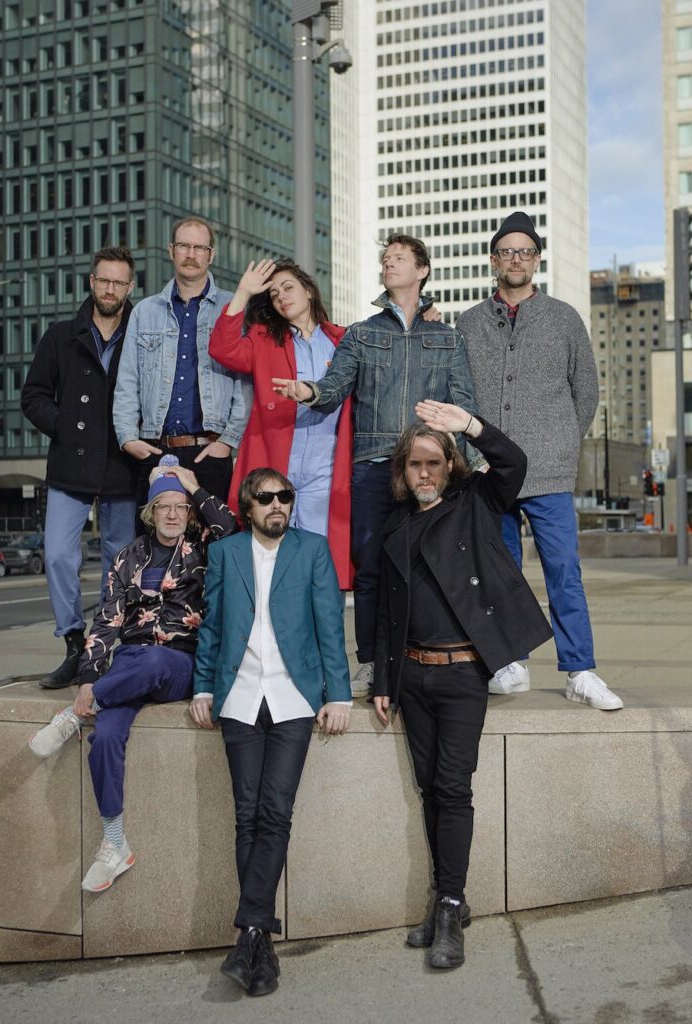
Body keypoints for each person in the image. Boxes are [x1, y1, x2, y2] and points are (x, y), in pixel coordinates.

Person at [373, 401, 552, 969]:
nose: (423, 473)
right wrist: (382, 677)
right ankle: (447, 897)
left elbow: (514, 464)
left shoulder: (474, 502)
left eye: (433, 462)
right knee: (430, 788)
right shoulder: (396, 523)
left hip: (461, 674)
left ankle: (449, 905)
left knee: (452, 788)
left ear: (450, 465)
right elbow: (385, 608)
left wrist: (470, 426)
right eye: (414, 464)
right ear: (402, 472)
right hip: (411, 674)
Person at [272, 233, 478, 695]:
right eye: (385, 258)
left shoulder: (448, 338)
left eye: (399, 258)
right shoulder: (362, 333)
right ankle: (368, 661)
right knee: (369, 570)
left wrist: (469, 462)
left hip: (427, 468)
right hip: (372, 466)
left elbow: (463, 404)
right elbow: (335, 387)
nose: (389, 264)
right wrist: (308, 391)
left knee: (429, 568)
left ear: (422, 270)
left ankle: (425, 655)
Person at [28, 459, 236, 893]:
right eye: (164, 506)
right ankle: (115, 842)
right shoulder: (127, 557)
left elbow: (230, 526)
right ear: (150, 512)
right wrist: (89, 678)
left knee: (154, 661)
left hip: (179, 662)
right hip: (128, 665)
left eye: (180, 506)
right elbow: (107, 620)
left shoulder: (204, 548)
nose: (173, 514)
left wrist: (194, 486)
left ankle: (73, 717)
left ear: (189, 512)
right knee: (105, 736)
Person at [190, 467, 352, 997]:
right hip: (238, 697)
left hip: (293, 697)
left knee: (275, 812)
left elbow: (330, 624)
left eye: (285, 496)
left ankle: (250, 934)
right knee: (247, 815)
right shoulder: (225, 553)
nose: (278, 504)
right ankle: (259, 944)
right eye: (266, 498)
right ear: (248, 506)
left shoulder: (312, 550)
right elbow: (213, 625)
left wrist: (338, 694)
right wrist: (203, 687)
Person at [456, 211, 623, 711]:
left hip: (548, 469)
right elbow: (459, 395)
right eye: (507, 252)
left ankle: (580, 670)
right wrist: (473, 454)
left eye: (524, 251)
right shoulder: (469, 323)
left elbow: (586, 391)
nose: (516, 259)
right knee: (498, 572)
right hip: (490, 471)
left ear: (537, 259)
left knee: (564, 570)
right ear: (494, 260)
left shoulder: (564, 318)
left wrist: (564, 443)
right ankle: (509, 662)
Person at [21, 246, 139, 689]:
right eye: (103, 280)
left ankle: (102, 645)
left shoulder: (141, 333)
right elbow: (33, 396)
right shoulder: (60, 335)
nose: (110, 289)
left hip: (122, 464)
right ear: (92, 281)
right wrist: (67, 428)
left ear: (130, 287)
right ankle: (73, 642)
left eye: (119, 282)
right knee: (56, 554)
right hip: (70, 463)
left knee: (118, 561)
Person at [208, 257, 353, 587]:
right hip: (276, 465)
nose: (281, 297)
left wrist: (425, 315)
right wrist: (243, 293)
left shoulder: (343, 339)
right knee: (269, 564)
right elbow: (222, 348)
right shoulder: (263, 338)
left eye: (288, 288)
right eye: (274, 294)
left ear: (309, 291)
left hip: (325, 469)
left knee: (320, 564)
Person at [112, 215, 251, 517]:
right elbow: (128, 381)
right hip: (154, 449)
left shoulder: (233, 308)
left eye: (200, 248)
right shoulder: (144, 312)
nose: (191, 254)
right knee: (153, 541)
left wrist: (228, 441)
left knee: (215, 539)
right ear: (171, 250)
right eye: (184, 246)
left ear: (211, 255)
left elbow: (245, 384)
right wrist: (128, 438)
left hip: (210, 452)